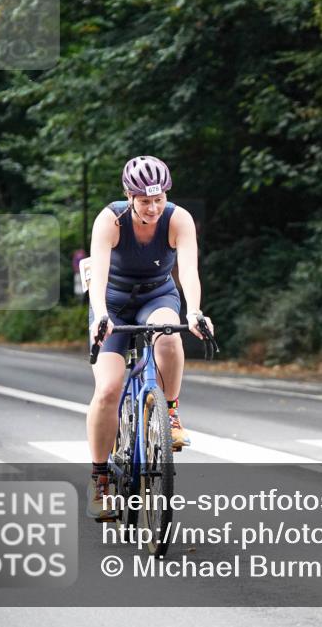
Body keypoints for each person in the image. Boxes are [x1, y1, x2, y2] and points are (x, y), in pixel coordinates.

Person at [85, 155, 214, 518]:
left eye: (159, 199)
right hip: (112, 300)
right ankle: (99, 480)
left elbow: (188, 271)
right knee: (108, 389)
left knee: (170, 337)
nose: (154, 207)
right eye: (145, 200)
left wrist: (194, 311)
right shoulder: (110, 220)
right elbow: (99, 273)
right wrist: (102, 317)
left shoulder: (178, 219)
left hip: (157, 296)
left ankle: (170, 413)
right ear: (129, 195)